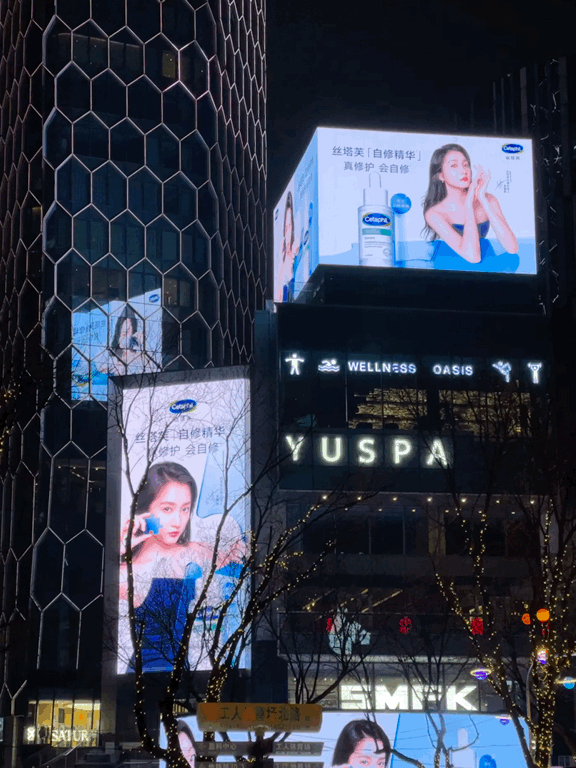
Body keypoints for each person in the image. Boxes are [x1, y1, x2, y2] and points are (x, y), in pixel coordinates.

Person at [118, 461, 246, 672]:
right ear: (145, 510)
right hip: (145, 672)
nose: (178, 521)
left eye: (185, 509)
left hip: (184, 672)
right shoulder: (128, 570)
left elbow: (238, 555)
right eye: (167, 509)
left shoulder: (194, 551)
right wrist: (120, 551)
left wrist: (241, 545)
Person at [422, 143, 519, 272]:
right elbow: (473, 257)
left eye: (466, 165)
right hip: (450, 267)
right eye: (454, 166)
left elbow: (512, 248)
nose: (463, 171)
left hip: (486, 265)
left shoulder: (489, 199)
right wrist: (468, 204)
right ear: (440, 176)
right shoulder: (434, 213)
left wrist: (482, 199)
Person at [275, 191, 301, 301]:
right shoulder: (282, 256)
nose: (287, 231)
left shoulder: (296, 250)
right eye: (286, 227)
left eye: (289, 226)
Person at [108, 306, 145, 375]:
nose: (126, 330)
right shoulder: (113, 356)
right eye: (123, 333)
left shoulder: (139, 354)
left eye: (129, 327)